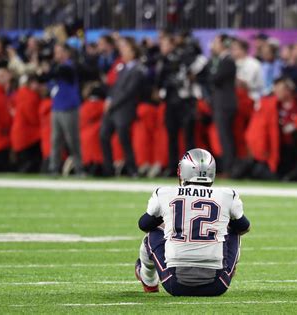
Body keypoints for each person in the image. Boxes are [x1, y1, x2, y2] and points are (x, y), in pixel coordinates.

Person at [134, 148, 250, 296]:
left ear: (183, 170)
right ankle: (228, 269)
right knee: (235, 231)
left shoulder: (165, 193)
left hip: (174, 284)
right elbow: (245, 227)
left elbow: (143, 225)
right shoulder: (227, 195)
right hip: (218, 285)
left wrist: (169, 221)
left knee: (152, 235)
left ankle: (148, 280)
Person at [100, 37, 146, 177]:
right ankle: (108, 169)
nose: (123, 52)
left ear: (133, 52)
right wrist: (109, 99)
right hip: (113, 108)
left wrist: (112, 102)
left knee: (124, 140)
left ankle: (132, 169)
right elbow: (114, 86)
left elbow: (129, 91)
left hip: (124, 109)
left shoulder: (138, 69)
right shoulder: (121, 67)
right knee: (103, 136)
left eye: (126, 49)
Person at [156, 35, 195, 176]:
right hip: (171, 103)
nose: (162, 48)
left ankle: (191, 169)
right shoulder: (163, 60)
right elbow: (159, 80)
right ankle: (173, 167)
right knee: (172, 136)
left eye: (165, 44)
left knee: (187, 137)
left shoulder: (184, 57)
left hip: (184, 102)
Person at [49, 43, 84, 176]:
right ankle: (53, 168)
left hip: (69, 108)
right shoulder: (57, 67)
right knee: (55, 140)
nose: (56, 55)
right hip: (57, 107)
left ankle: (79, 168)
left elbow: (58, 73)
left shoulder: (69, 66)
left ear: (66, 53)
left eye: (59, 52)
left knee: (73, 140)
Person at [208, 34, 237, 175]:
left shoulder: (227, 61)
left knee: (225, 137)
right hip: (222, 103)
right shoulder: (223, 60)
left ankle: (229, 169)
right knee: (223, 136)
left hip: (225, 104)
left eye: (216, 42)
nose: (213, 45)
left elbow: (215, 78)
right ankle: (227, 168)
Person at [11, 75, 42, 173]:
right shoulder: (31, 97)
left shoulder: (19, 94)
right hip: (28, 135)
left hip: (19, 133)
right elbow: (32, 118)